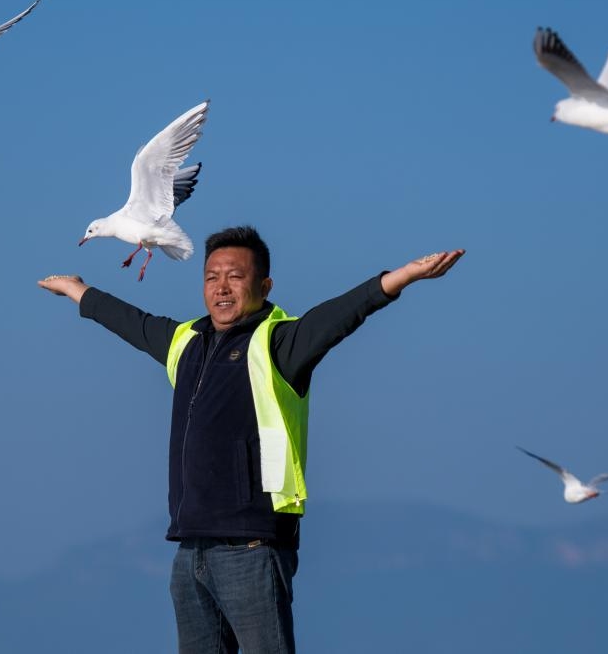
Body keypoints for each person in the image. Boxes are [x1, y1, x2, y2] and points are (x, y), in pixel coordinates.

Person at [38, 226, 464, 654]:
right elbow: (134, 323)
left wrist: (402, 276)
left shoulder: (280, 342)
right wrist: (79, 291)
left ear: (264, 285)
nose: (221, 287)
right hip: (190, 550)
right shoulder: (184, 342)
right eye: (212, 277)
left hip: (252, 546)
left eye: (235, 277)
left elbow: (339, 315)